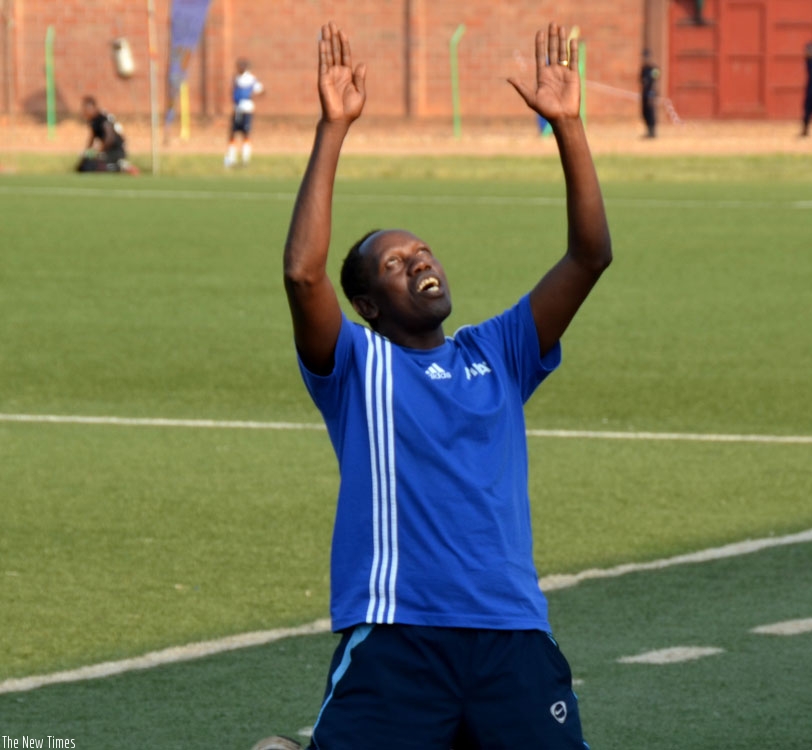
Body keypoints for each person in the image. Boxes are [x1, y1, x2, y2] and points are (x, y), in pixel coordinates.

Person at [282, 20, 610, 750]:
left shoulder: (499, 351)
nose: (419, 261)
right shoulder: (355, 367)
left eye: (422, 251)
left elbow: (590, 257)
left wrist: (568, 126)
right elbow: (303, 274)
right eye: (396, 263)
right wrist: (333, 128)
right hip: (402, 638)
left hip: (511, 636)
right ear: (366, 305)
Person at [77, 96, 138, 173]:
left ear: (92, 108)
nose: (84, 112)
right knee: (84, 166)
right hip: (106, 150)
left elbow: (109, 138)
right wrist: (87, 152)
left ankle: (121, 167)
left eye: (86, 110)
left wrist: (99, 151)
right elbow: (92, 138)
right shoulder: (93, 121)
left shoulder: (102, 119)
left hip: (115, 151)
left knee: (94, 166)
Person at [224, 57, 264, 167]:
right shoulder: (236, 78)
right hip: (237, 109)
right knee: (233, 133)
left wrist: (250, 95)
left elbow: (260, 90)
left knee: (246, 133)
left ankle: (245, 159)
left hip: (247, 109)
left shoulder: (250, 79)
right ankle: (231, 158)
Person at [640, 48, 660, 138]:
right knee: (645, 112)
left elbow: (656, 80)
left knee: (651, 112)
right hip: (645, 93)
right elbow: (641, 81)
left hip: (651, 93)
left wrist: (653, 93)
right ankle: (648, 130)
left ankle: (652, 131)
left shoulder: (654, 69)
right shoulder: (644, 69)